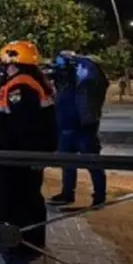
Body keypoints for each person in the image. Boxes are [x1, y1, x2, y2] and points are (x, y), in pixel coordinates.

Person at [0, 40, 58, 264]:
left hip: (16, 157)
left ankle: (24, 243)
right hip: (15, 155)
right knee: (22, 198)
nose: (2, 66)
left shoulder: (21, 86)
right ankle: (14, 236)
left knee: (18, 199)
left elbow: (24, 126)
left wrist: (25, 158)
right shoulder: (26, 82)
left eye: (5, 62)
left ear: (13, 61)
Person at [47, 52, 109, 207]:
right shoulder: (64, 82)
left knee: (92, 163)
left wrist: (75, 59)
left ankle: (99, 195)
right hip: (65, 126)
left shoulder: (86, 79)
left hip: (84, 127)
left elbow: (97, 78)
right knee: (67, 163)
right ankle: (67, 193)